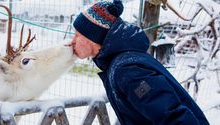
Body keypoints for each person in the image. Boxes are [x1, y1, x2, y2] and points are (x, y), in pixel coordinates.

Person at [71, 0, 210, 125]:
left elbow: (174, 117)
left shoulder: (127, 69)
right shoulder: (120, 62)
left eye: (77, 35)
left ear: (93, 36)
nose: (72, 41)